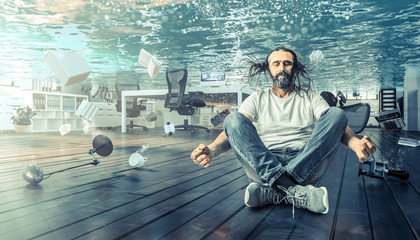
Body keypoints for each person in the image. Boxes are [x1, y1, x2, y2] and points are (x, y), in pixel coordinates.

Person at [190, 46, 376, 216]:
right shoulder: (257, 98)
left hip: (306, 165)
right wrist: (212, 150)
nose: (282, 68)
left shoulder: (309, 96)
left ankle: (274, 190)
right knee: (232, 119)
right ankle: (292, 191)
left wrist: (356, 143)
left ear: (294, 68)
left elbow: (338, 126)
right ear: (268, 68)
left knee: (336, 114)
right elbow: (233, 131)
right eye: (276, 63)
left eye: (287, 63)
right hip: (263, 165)